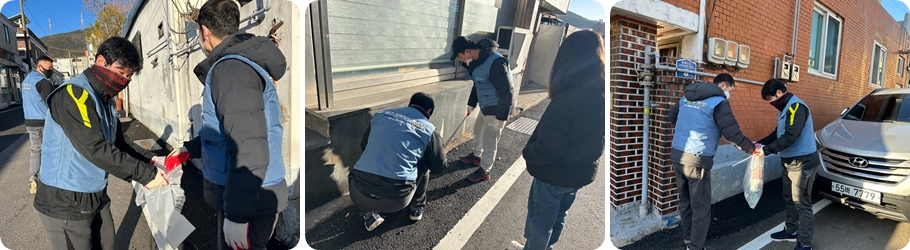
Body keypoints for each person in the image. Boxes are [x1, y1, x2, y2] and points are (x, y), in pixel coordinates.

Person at [164, 0, 289, 249]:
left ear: (204, 31)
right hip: (251, 193)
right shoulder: (239, 64)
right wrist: (190, 149)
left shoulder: (230, 69)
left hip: (248, 198)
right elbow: (229, 131)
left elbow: (249, 147)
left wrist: (237, 216)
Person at [33, 37, 169, 250]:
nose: (123, 79)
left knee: (108, 243)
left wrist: (154, 161)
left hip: (94, 193)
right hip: (64, 200)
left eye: (129, 75)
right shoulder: (73, 94)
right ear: (100, 61)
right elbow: (96, 148)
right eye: (120, 71)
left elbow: (119, 143)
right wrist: (147, 176)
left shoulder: (104, 98)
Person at [508, 30, 606, 250]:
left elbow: (549, 149)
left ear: (567, 60)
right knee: (560, 215)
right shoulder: (602, 96)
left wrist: (527, 151)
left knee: (540, 221)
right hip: (579, 173)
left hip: (553, 174)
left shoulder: (566, 100)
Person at [667, 73, 757, 250]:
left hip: (677, 155)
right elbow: (732, 133)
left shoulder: (686, 96)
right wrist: (752, 149)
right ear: (722, 85)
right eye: (730, 90)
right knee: (700, 208)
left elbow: (672, 117)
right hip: (697, 160)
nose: (730, 94)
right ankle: (696, 247)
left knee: (685, 203)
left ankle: (688, 241)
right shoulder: (719, 102)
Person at [348, 92, 445, 231]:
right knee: (424, 165)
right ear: (429, 111)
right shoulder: (428, 130)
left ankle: (368, 213)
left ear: (410, 104)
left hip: (358, 194)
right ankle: (416, 208)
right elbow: (438, 166)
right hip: (396, 201)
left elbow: (364, 145)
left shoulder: (381, 115)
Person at [755, 79, 817, 250]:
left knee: (801, 202)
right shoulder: (785, 108)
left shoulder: (796, 107)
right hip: (789, 161)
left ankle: (805, 242)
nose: (771, 103)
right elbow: (777, 133)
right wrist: (759, 144)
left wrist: (766, 150)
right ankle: (791, 231)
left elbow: (790, 137)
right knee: (789, 198)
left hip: (803, 162)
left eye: (770, 99)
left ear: (779, 93)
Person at [450, 36, 515, 183]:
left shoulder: (496, 63)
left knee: (490, 140)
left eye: (460, 56)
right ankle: (476, 156)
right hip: (486, 105)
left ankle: (485, 170)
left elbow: (507, 91)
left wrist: (501, 117)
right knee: (478, 129)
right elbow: (478, 83)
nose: (461, 61)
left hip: (498, 107)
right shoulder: (478, 62)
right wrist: (471, 103)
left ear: (467, 51)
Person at [21, 55, 56, 194]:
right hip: (44, 122)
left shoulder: (26, 80)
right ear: (40, 66)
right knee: (50, 150)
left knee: (36, 150)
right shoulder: (43, 82)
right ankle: (50, 180)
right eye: (49, 68)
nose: (50, 71)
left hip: (29, 121)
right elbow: (51, 103)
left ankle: (33, 177)